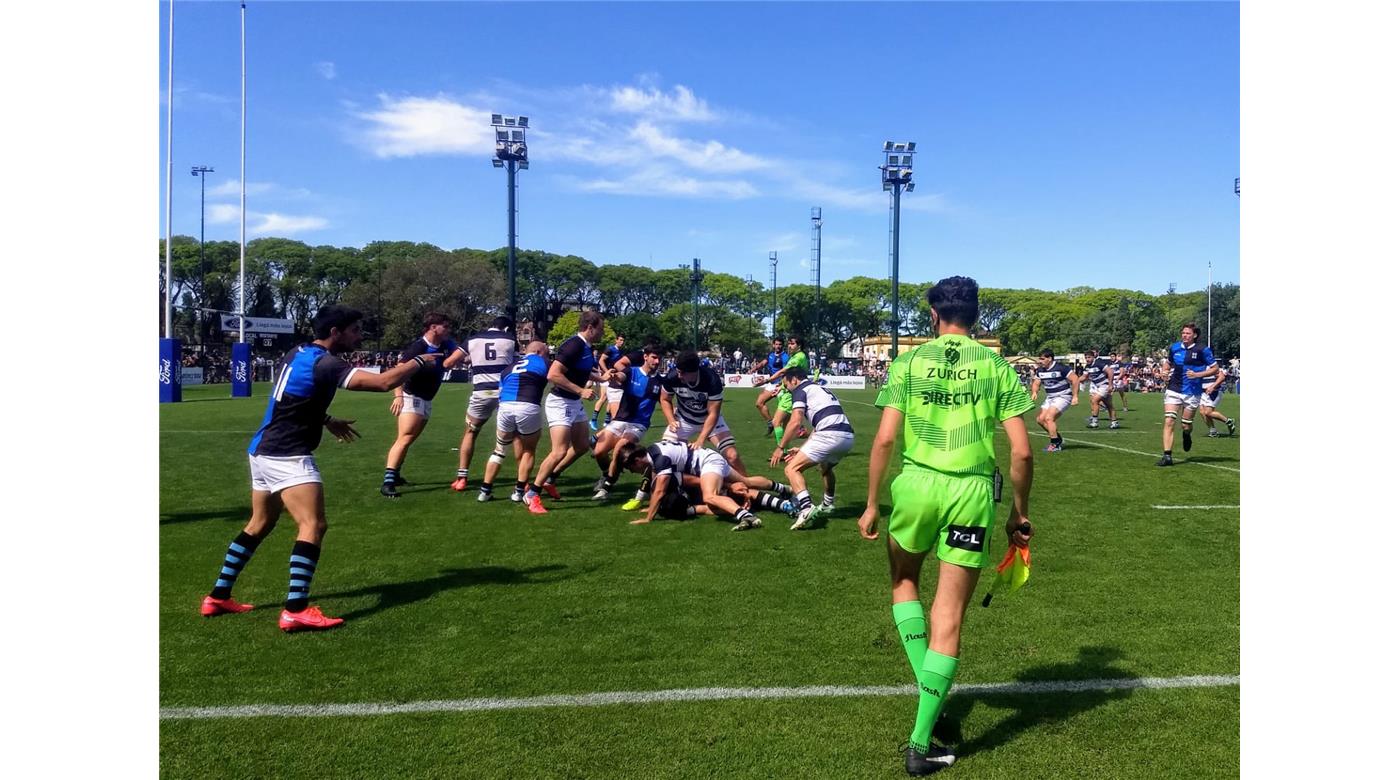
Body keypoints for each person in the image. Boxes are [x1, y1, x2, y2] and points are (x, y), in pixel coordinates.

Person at [857, 277, 1035, 775]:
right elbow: (1021, 451)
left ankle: (928, 701)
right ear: (976, 316)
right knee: (950, 614)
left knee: (904, 583)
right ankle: (921, 740)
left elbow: (886, 439)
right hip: (971, 491)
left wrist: (871, 502)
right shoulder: (995, 364)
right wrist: (1018, 512)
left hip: (914, 486)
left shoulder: (908, 361)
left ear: (933, 315)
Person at [200, 305, 443, 631]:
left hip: (261, 450)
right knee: (313, 525)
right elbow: (384, 383)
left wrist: (327, 420)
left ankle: (217, 596)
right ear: (335, 332)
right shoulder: (327, 363)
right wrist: (417, 361)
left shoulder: (297, 352)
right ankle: (295, 609)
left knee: (259, 523)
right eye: (354, 330)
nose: (359, 336)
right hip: (287, 454)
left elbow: (293, 398)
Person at [523, 311, 608, 512]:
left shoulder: (586, 347)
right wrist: (581, 390)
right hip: (560, 403)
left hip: (573, 403)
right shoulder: (574, 345)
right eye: (601, 329)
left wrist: (602, 379)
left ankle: (550, 479)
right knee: (559, 450)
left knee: (580, 446)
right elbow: (553, 374)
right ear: (590, 328)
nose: (603, 333)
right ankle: (532, 493)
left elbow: (581, 370)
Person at [381, 313, 468, 498]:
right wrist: (398, 396)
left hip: (427, 399)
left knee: (409, 439)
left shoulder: (446, 344)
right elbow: (398, 371)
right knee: (404, 438)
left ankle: (395, 475)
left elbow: (459, 354)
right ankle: (387, 482)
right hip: (412, 396)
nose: (448, 330)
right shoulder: (419, 346)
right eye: (445, 326)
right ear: (433, 327)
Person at [769, 367, 855, 530]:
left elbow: (795, 422)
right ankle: (828, 504)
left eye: (786, 384)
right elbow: (819, 426)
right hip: (847, 437)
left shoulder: (800, 390)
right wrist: (803, 447)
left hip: (829, 436)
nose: (786, 389)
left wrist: (781, 447)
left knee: (791, 469)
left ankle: (806, 507)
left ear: (794, 380)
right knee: (825, 467)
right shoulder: (820, 388)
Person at [619, 441, 768, 529]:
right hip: (705, 462)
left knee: (711, 496)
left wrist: (648, 518)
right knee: (745, 482)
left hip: (706, 464)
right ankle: (782, 488)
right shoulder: (653, 453)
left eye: (629, 468)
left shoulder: (660, 460)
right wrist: (651, 507)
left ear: (637, 460)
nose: (631, 472)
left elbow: (659, 492)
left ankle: (746, 515)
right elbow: (657, 487)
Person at [478, 340, 550, 504]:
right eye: (546, 352)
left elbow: (500, 391)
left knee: (499, 450)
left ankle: (485, 490)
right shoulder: (545, 362)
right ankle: (518, 492)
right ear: (539, 352)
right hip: (528, 405)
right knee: (529, 450)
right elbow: (556, 376)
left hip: (505, 406)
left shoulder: (508, 367)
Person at [452, 316, 518, 493]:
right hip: (505, 393)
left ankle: (461, 478)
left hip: (481, 392)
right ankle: (523, 481)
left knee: (471, 432)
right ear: (506, 329)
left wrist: (470, 361)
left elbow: (450, 361)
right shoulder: (510, 339)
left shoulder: (473, 339)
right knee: (517, 435)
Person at [659, 350, 750, 476]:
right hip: (684, 420)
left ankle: (749, 487)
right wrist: (671, 420)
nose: (679, 376)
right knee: (665, 456)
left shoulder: (711, 379)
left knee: (732, 456)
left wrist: (700, 439)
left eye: (683, 373)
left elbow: (713, 414)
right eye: (678, 371)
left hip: (710, 420)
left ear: (694, 371)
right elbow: (664, 399)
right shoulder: (672, 377)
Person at [591, 345, 663, 500]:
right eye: (654, 357)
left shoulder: (659, 381)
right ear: (645, 356)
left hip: (639, 424)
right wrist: (615, 376)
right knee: (598, 452)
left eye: (659, 358)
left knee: (619, 448)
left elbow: (665, 401)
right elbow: (621, 377)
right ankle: (607, 473)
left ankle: (607, 487)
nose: (657, 361)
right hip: (621, 419)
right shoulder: (633, 371)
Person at [1158, 324, 1217, 466]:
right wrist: (1164, 372)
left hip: (1192, 391)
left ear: (1194, 335)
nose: (1185, 335)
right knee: (1169, 421)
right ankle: (1167, 456)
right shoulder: (1175, 347)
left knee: (1186, 425)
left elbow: (1215, 369)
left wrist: (1198, 374)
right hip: (1173, 388)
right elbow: (1168, 364)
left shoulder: (1203, 350)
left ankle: (1186, 434)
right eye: (1183, 333)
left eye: (1188, 333)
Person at [1029, 350, 1079, 452]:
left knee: (1049, 418)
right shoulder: (1040, 370)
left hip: (1063, 396)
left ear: (1050, 358)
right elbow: (1036, 383)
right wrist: (1034, 392)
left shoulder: (1061, 368)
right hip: (1050, 397)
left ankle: (1055, 444)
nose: (1040, 361)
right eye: (1040, 359)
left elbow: (1075, 379)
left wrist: (1075, 396)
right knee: (1040, 419)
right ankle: (1058, 438)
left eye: (1042, 359)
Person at [591, 334, 627, 431]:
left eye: (623, 340)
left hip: (614, 378)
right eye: (620, 340)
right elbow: (601, 361)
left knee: (611, 400)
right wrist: (606, 372)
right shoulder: (610, 349)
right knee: (603, 398)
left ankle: (607, 421)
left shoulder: (622, 351)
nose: (622, 342)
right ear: (616, 340)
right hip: (607, 377)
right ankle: (593, 420)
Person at [754, 338, 789, 433]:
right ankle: (770, 423)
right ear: (773, 345)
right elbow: (763, 363)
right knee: (759, 403)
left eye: (780, 344)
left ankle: (798, 429)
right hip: (772, 384)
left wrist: (782, 384)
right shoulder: (770, 355)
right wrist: (755, 368)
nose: (778, 346)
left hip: (781, 385)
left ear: (782, 346)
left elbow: (785, 371)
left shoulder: (785, 357)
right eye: (776, 344)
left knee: (786, 411)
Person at [1082, 348, 1120, 429]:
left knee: (1095, 400)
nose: (1087, 359)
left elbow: (1110, 371)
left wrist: (1110, 385)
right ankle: (1114, 422)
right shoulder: (1087, 366)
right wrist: (1074, 380)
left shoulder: (1099, 363)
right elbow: (1084, 377)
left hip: (1104, 385)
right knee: (1108, 405)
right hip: (1097, 387)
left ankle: (1094, 421)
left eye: (1089, 357)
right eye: (1086, 358)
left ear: (1093, 357)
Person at [1199, 360, 1237, 438]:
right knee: (1202, 412)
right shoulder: (1198, 367)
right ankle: (1213, 431)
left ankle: (1229, 421)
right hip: (1203, 393)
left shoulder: (1211, 367)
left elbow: (1222, 377)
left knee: (1208, 412)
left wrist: (1212, 387)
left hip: (1214, 392)